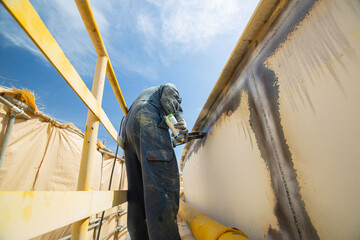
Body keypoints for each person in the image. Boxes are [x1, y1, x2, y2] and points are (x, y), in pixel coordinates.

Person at [122, 83, 187, 240]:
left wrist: (169, 142)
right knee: (162, 185)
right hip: (147, 116)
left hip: (128, 127)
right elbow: (170, 96)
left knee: (138, 191)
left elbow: (150, 147)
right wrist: (179, 120)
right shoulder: (168, 86)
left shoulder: (144, 96)